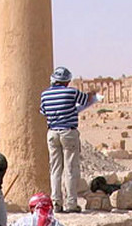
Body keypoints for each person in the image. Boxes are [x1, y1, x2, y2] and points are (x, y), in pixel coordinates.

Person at [40, 66, 97, 213]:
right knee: (71, 169)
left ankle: (56, 202)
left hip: (52, 132)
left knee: (55, 169)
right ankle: (71, 203)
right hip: (68, 132)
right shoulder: (71, 92)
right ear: (67, 81)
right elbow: (86, 100)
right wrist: (92, 94)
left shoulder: (45, 94)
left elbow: (43, 112)